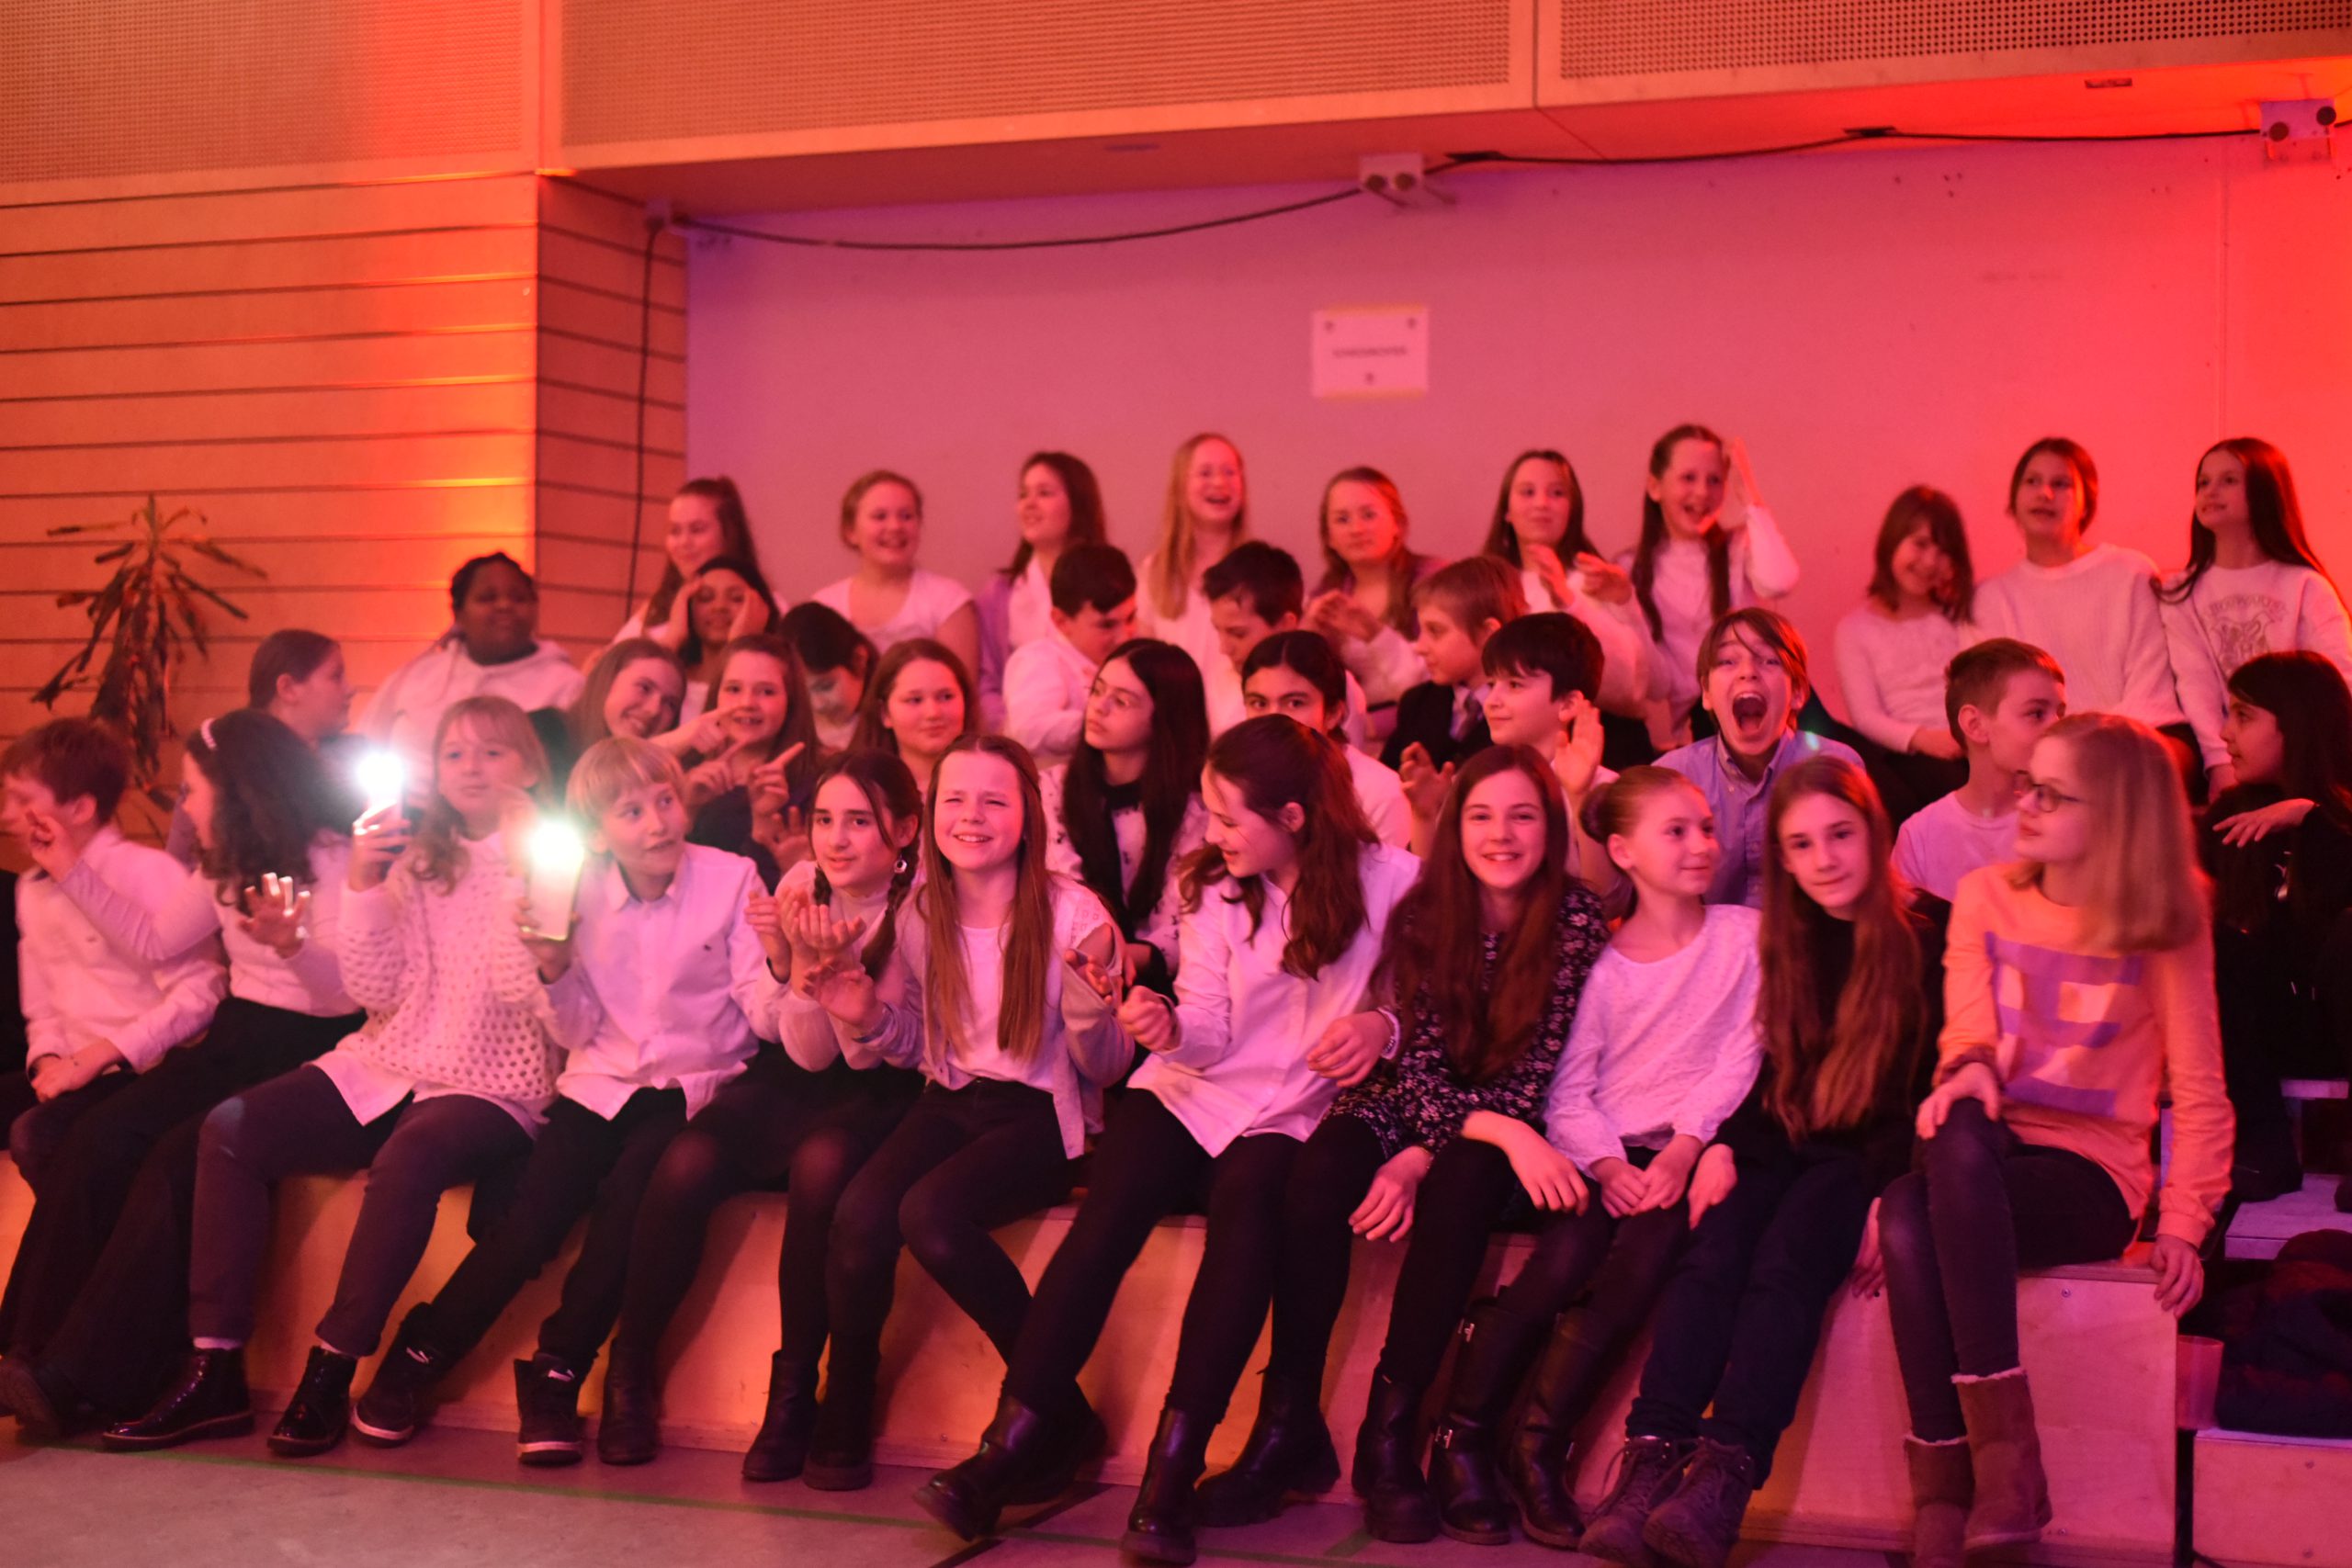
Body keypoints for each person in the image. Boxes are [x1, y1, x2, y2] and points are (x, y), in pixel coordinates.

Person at [914, 716, 1420, 1561]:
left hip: (1295, 1105)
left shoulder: (1395, 881)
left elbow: (1426, 1007)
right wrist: (1165, 1024)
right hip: (1194, 1084)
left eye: (1228, 816)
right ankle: (1010, 1445)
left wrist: (1382, 1025)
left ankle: (1170, 1474)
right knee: (1106, 1217)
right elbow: (1209, 1026)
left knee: (1247, 1216)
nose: (1213, 834)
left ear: (1293, 816)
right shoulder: (1215, 884)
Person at [100, 696, 563, 1457]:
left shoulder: (552, 858)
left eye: (493, 752)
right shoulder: (415, 857)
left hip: (493, 1080)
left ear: (531, 767)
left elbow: (535, 999)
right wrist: (364, 882)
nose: (472, 768)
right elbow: (373, 990)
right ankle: (214, 1367)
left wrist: (526, 881)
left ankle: (331, 1365)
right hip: (388, 1057)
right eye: (454, 753)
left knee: (411, 1154)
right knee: (232, 1127)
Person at [345, 738, 789, 1466]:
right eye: (631, 811)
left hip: (690, 1087)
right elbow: (577, 1029)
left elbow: (761, 1009)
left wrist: (785, 963)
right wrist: (553, 968)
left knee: (626, 1207)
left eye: (665, 800)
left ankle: (557, 1370)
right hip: (598, 1082)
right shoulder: (573, 889)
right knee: (529, 1221)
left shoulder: (731, 877)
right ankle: (420, 1353)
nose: (657, 822)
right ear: (597, 834)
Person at [1213, 748, 1609, 1548]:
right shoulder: (1429, 910)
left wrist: (1437, 1152)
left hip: (1510, 1124)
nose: (1501, 834)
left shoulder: (1575, 920)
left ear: (1551, 827)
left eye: (1523, 816)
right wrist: (1418, 1146)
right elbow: (1418, 1063)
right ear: (1455, 827)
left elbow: (1538, 1073)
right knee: (1319, 1172)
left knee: (1465, 1179)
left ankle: (1390, 1436)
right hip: (1419, 1102)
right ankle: (1286, 1420)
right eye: (1481, 816)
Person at [1879, 715, 2233, 1568]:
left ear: (2114, 815)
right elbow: (1966, 1032)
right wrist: (1967, 1068)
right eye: (2026, 783)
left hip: (2092, 1172)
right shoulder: (1985, 896)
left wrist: (2185, 1220)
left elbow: (2200, 1087)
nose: (2024, 803)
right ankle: (2002, 1472)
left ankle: (1951, 1487)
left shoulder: (2166, 920)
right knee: (1953, 1129)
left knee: (1905, 1213)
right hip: (1986, 1136)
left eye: (2050, 793)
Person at [1575, 758, 1940, 1568]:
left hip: (1863, 1158)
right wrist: (1723, 1147)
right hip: (1780, 1136)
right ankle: (1650, 1457)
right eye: (1801, 845)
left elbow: (1926, 1089)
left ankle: (1725, 1474)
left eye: (1840, 835)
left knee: (1788, 1262)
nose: (1825, 859)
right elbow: (1761, 1070)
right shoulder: (1785, 939)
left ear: (1873, 832)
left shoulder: (1926, 937)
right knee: (1714, 1250)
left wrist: (1894, 1193)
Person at [1419, 767, 1761, 1550]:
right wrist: (1605, 1166)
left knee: (1648, 1249)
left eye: (1707, 828)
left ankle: (1539, 1443)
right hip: (1600, 1150)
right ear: (1624, 851)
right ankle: (1464, 1430)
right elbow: (1568, 1088)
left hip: (1680, 1148)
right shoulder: (1603, 967)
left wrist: (1687, 1144)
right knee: (1569, 1247)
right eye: (1675, 831)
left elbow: (1742, 1053)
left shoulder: (1744, 938)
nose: (1700, 844)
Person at [0, 716, 358, 1439]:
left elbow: (347, 994)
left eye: (193, 789)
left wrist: (291, 943)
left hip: (307, 1045)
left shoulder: (333, 856)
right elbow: (152, 938)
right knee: (99, 1135)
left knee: (174, 1159)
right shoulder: (225, 860)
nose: (185, 806)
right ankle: (21, 1351)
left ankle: (80, 1376)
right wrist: (68, 865)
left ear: (236, 787)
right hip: (239, 1033)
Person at [799, 736, 1125, 1491]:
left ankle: (1048, 1409)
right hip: (951, 1097)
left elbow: (1107, 1068)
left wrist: (1088, 1015)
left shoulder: (1074, 912)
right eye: (954, 798)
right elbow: (919, 1043)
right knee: (859, 1212)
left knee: (931, 1213)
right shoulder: (922, 911)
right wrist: (866, 1017)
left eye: (993, 800)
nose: (971, 816)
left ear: (1027, 814)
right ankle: (846, 1400)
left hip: (1042, 1112)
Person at [606, 750, 928, 1482]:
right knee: (687, 1158)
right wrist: (791, 962)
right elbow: (795, 1044)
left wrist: (839, 977)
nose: (836, 839)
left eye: (859, 821)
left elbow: (866, 1059)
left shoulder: (918, 910)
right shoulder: (799, 883)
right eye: (824, 819)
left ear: (906, 830)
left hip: (882, 1078)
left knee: (822, 1167)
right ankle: (630, 1366)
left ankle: (796, 1393)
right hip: (800, 1066)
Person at [0, 719, 222, 1180]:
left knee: (37, 1134)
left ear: (80, 808)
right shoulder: (31, 888)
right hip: (74, 1067)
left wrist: (104, 1053)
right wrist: (47, 1058)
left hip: (148, 1067)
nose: (7, 815)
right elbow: (42, 1007)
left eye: (23, 800)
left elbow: (199, 993)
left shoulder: (148, 872)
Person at [2200, 652, 2352, 1203]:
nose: (2225, 733)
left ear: (2297, 723)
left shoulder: (2341, 820)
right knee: (2219, 945)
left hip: (2342, 1020)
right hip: (2272, 1032)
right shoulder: (2229, 820)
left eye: (2243, 716)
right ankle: (2264, 1146)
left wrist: (2314, 818)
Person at [2158, 437, 2352, 795]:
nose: (2211, 491)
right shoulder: (2180, 593)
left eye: (2229, 480)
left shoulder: (2305, 585)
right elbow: (2195, 683)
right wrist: (2219, 762)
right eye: (2203, 482)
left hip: (2301, 755)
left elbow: (2338, 676)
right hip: (2228, 754)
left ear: (2265, 492)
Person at [1970, 438, 2188, 745]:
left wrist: (2092, 748)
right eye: (2032, 481)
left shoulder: (2131, 572)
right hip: (2034, 754)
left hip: (2132, 743)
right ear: (2014, 500)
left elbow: (2149, 688)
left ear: (2087, 502)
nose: (2045, 493)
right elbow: (1991, 705)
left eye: (2061, 484)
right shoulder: (1990, 598)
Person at [1039, 640, 1212, 998]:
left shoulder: (1196, 809)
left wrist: (1122, 959)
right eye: (1097, 690)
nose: (1098, 707)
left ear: (1164, 718)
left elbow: (1185, 923)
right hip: (1065, 969)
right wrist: (1101, 954)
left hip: (1159, 986)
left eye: (1121, 701)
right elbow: (1064, 886)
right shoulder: (1051, 787)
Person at [1657, 610, 1861, 908]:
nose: (1748, 672)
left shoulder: (1837, 766)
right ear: (1706, 693)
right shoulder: (1673, 776)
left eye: (1769, 660)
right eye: (1728, 661)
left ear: (1798, 692)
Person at [1626, 428, 1800, 747]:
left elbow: (1780, 581)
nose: (1702, 492)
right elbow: (1652, 681)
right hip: (1700, 721)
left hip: (1759, 703)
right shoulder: (1630, 569)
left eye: (1715, 480)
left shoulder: (1738, 547)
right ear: (1655, 486)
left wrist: (1750, 497)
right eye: (1688, 478)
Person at [363, 552, 585, 795]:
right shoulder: (415, 676)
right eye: (487, 598)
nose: (504, 606)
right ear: (458, 613)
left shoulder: (567, 686)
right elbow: (367, 743)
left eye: (518, 598)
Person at [1482, 449, 1655, 732]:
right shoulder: (1487, 587)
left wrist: (1572, 601)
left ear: (1572, 509)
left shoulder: (1595, 580)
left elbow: (1636, 688)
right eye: (1527, 492)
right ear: (1507, 511)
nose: (1542, 503)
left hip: (1592, 732)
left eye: (1557, 493)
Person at [1834, 487, 1978, 824]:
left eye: (1943, 551)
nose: (1930, 562)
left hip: (1973, 742)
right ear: (1892, 540)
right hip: (1910, 754)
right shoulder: (1855, 629)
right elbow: (1865, 716)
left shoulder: (1959, 617)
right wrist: (1925, 739)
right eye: (1920, 544)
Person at [1892, 641, 2066, 907]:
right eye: (2036, 713)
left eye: (2060, 714)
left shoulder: (2064, 819)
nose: (2057, 727)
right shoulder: (1920, 837)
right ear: (1975, 725)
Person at [166, 628, 358, 865]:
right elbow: (177, 864)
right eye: (336, 676)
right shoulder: (224, 762)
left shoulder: (354, 761)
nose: (351, 689)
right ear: (288, 688)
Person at [672, 635, 821, 888]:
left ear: (791, 700)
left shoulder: (817, 784)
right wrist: (686, 808)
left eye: (766, 692)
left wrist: (766, 829)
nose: (747, 703)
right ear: (716, 694)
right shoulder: (681, 769)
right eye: (733, 689)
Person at [1241, 631, 1412, 849]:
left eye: (1295, 703)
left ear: (1332, 713)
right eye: (1259, 703)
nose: (1273, 718)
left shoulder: (1378, 791)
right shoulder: (1239, 779)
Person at [978, 452, 1110, 729]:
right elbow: (986, 679)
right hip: (1017, 737)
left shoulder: (1112, 583)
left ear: (1078, 504)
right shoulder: (1000, 593)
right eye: (1023, 494)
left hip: (1095, 731)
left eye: (1044, 493)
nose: (1029, 504)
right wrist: (1007, 728)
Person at [812, 470, 981, 681]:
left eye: (906, 516)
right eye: (880, 516)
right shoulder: (825, 607)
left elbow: (962, 690)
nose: (895, 527)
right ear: (850, 531)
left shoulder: (948, 601)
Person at [1303, 466, 1441, 713]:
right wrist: (1308, 636)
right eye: (1342, 519)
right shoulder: (1325, 595)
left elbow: (1439, 681)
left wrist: (1375, 633)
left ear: (1397, 523)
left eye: (1368, 515)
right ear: (1329, 537)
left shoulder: (1435, 581)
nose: (1356, 529)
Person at [1200, 541, 1368, 743]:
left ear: (1286, 624)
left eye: (1238, 634)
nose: (1224, 648)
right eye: (1218, 631)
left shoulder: (1333, 685)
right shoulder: (1219, 680)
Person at [1383, 557, 1527, 773]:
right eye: (1421, 631)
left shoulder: (1524, 712)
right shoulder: (1417, 704)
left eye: (1435, 631)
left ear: (1488, 633)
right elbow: (1385, 779)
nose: (1419, 646)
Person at [1003, 543, 1140, 771]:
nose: (1124, 636)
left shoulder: (1133, 660)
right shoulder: (1041, 659)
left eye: (1130, 618)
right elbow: (1029, 728)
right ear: (1061, 621)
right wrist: (1110, 721)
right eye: (1107, 625)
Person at [1137, 433, 1248, 680]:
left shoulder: (1260, 571)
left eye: (1230, 472)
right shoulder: (1155, 571)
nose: (1219, 482)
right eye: (1205, 473)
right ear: (1180, 487)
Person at [615, 477, 775, 643]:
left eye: (697, 529)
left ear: (730, 534)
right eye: (675, 531)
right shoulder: (655, 609)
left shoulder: (765, 607)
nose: (684, 542)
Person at [529, 637, 687, 796]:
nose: (654, 710)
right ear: (607, 679)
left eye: (670, 704)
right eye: (644, 688)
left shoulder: (665, 781)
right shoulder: (543, 731)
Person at [850, 638, 978, 795]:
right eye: (915, 700)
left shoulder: (996, 780)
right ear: (884, 712)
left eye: (946, 697)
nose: (933, 713)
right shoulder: (860, 791)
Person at [670, 555, 781, 721]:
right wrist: (674, 636)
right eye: (705, 597)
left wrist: (742, 644)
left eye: (736, 598)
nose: (719, 607)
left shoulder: (774, 682)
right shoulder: (673, 678)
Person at [780, 602, 876, 754]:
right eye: (801, 693)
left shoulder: (892, 720)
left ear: (859, 659)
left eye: (825, 686)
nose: (817, 704)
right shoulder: (790, 729)